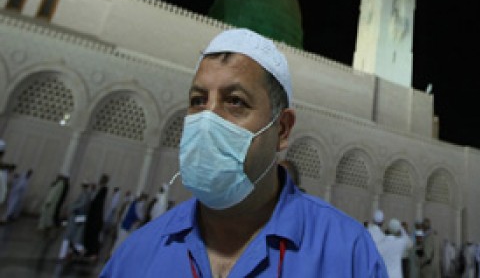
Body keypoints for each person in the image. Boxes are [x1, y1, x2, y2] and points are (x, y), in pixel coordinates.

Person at [101, 27, 388, 276]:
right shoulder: (138, 255)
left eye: (235, 101)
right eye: (198, 100)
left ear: (282, 130)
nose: (208, 121)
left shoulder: (347, 254)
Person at [59, 180, 92, 260]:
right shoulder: (87, 195)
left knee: (68, 237)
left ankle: (63, 255)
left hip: (75, 218)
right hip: (79, 218)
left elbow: (81, 205)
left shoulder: (84, 195)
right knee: (74, 238)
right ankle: (77, 251)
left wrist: (72, 207)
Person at [83, 173, 110, 262]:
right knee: (90, 234)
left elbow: (96, 202)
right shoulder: (100, 189)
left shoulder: (103, 190)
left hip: (96, 217)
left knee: (94, 236)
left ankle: (93, 253)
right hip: (93, 216)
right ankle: (89, 251)